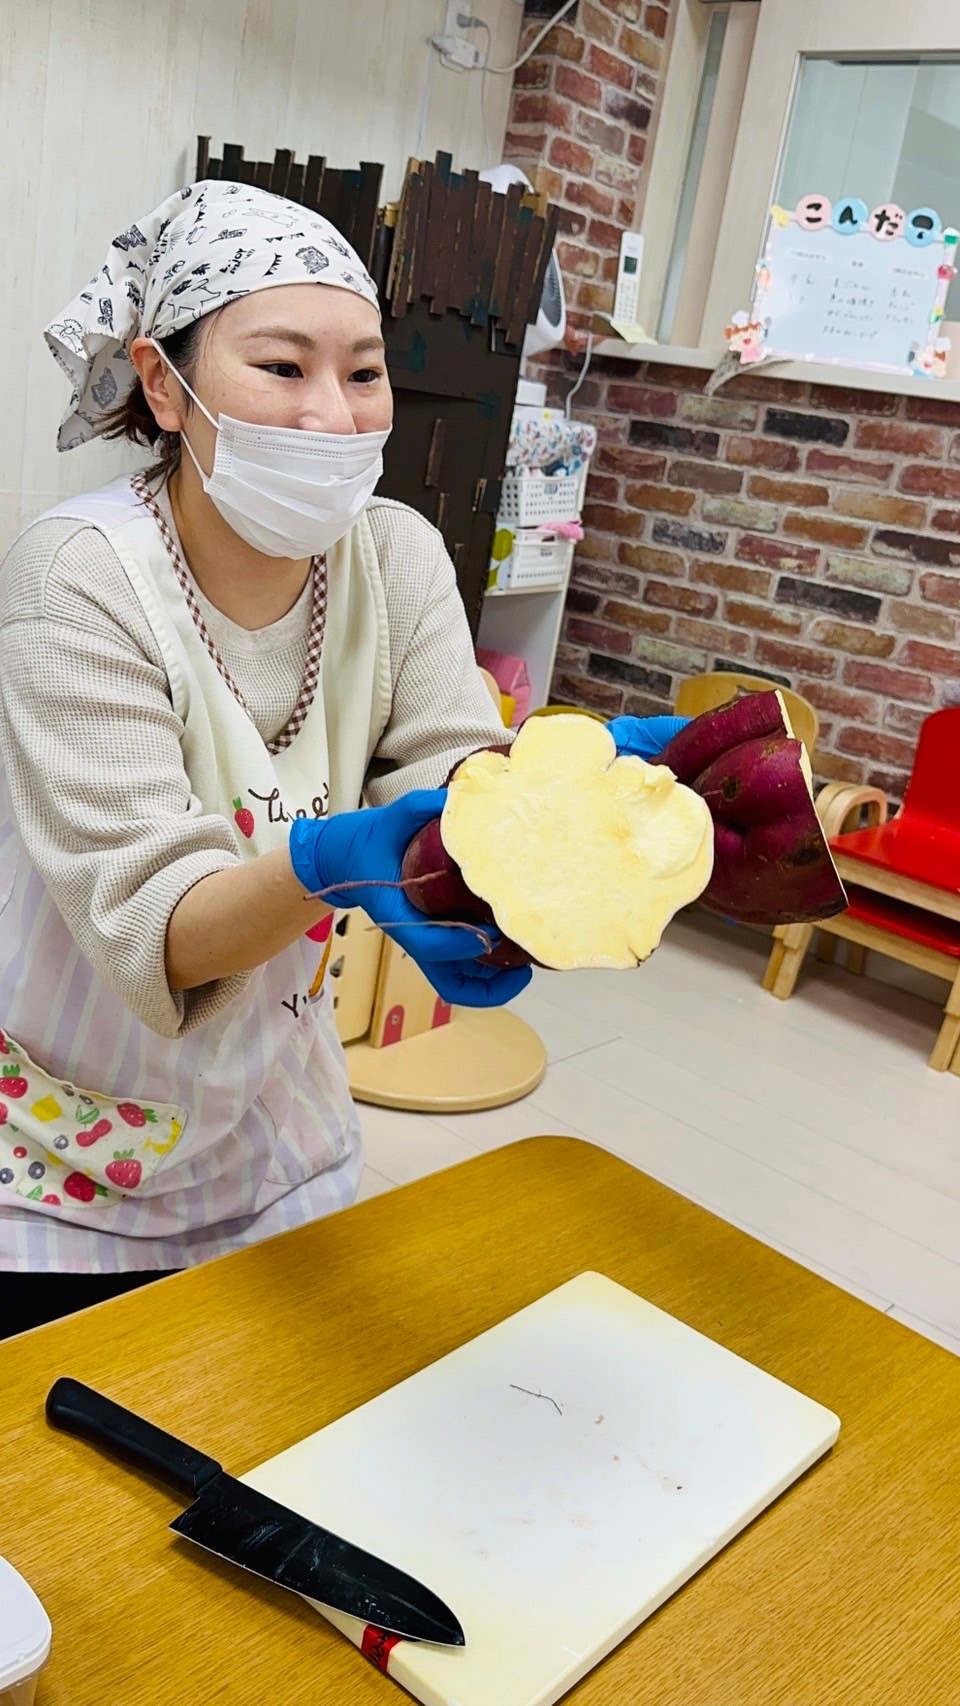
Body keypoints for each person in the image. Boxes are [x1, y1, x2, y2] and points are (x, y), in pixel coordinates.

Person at [0, 180, 681, 1338]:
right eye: (282, 366)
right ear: (162, 384)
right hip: (66, 1144)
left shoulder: (394, 556)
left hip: (275, 1122)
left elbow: (460, 779)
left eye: (364, 372)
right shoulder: (79, 577)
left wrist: (553, 822)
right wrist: (330, 861)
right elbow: (157, 922)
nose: (333, 413)